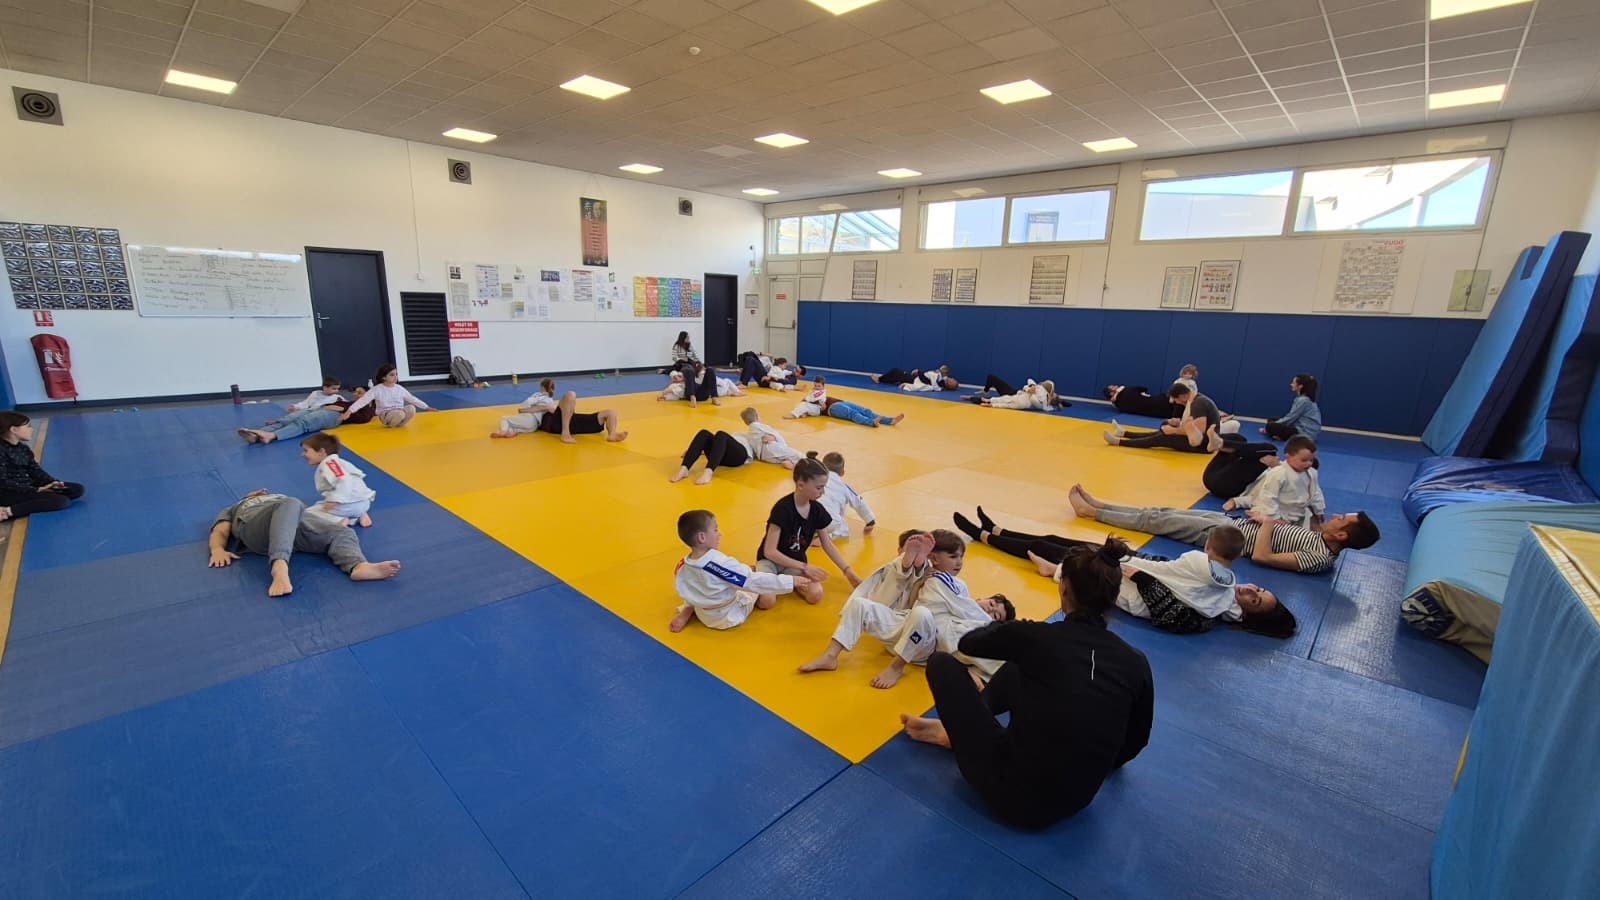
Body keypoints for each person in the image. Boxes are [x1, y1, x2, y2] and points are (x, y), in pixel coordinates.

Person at [899, 535, 1154, 830]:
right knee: (1025, 667)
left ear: (1063, 587)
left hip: (1009, 794)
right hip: (1079, 798)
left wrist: (1012, 629)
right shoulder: (1136, 661)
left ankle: (954, 733)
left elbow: (968, 642)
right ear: (1114, 596)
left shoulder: (1038, 637)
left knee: (941, 664)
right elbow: (1135, 742)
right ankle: (966, 728)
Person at [952, 510, 1295, 637]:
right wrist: (1140, 560)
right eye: (1259, 590)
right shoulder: (1220, 581)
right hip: (1132, 563)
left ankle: (984, 536)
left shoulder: (1210, 614)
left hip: (1119, 578)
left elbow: (1169, 616)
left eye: (1255, 601)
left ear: (1247, 616)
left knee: (1046, 548)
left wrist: (1140, 577)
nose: (1250, 591)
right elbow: (1171, 569)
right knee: (1056, 540)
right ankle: (997, 529)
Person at [799, 532, 1013, 689]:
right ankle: (830, 656)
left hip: (925, 645)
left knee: (923, 614)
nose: (959, 562)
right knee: (860, 604)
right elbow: (911, 606)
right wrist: (919, 584)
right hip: (905, 630)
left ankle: (896, 668)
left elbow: (965, 615)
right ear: (935, 558)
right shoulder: (932, 578)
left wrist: (992, 627)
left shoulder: (957, 585)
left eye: (961, 557)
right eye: (954, 557)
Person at [1068, 483, 1379, 575]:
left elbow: (1263, 557)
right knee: (1160, 512)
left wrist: (1267, 524)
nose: (1336, 515)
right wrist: (1270, 522)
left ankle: (1091, 513)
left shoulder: (1320, 558)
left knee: (1157, 522)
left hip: (1226, 537)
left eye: (1342, 518)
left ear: (1341, 535)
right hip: (1233, 523)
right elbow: (1283, 535)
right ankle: (1101, 505)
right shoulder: (1319, 536)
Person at [206, 489, 400, 597]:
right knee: (292, 502)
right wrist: (217, 549)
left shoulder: (280, 497)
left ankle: (358, 566)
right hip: (256, 530)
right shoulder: (236, 506)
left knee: (341, 532)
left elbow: (312, 515)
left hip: (295, 528)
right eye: (257, 492)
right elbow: (220, 530)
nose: (263, 490)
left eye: (264, 491)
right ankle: (279, 566)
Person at [669, 509, 814, 632]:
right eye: (715, 530)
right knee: (761, 591)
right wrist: (791, 581)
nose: (719, 534)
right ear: (702, 537)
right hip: (728, 616)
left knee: (698, 584)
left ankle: (688, 609)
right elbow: (753, 582)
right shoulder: (719, 565)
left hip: (704, 613)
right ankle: (748, 571)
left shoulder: (683, 565)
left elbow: (684, 588)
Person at [755, 456, 862, 603]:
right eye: (819, 488)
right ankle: (754, 572)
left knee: (815, 594)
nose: (823, 492)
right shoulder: (782, 509)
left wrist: (848, 571)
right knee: (767, 601)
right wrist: (805, 567)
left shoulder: (817, 510)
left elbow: (827, 544)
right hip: (771, 562)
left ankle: (785, 580)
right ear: (800, 485)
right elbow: (770, 552)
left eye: (824, 487)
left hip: (793, 564)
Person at [1224, 435, 1324, 528]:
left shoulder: (1311, 473)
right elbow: (1268, 496)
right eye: (1304, 460)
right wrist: (1274, 517)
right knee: (1265, 520)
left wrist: (1319, 510)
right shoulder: (1278, 473)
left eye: (1311, 460)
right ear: (1288, 457)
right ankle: (1253, 511)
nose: (1308, 464)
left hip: (1298, 512)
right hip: (1279, 512)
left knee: (1310, 524)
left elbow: (1315, 492)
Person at [0, 411, 84, 522]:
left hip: (28, 485)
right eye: (28, 426)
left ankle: (35, 498)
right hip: (8, 492)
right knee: (61, 501)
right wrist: (36, 489)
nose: (31, 429)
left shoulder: (23, 448)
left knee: (77, 489)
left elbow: (35, 470)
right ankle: (7, 512)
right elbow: (3, 482)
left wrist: (52, 482)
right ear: (14, 429)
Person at [1104, 382, 1221, 453]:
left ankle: (1120, 442)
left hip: (1203, 444)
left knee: (1163, 437)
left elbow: (1199, 432)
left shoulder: (1198, 404)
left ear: (1183, 396)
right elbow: (1193, 425)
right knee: (1164, 427)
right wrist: (1178, 424)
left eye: (1176, 400)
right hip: (1199, 440)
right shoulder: (1195, 400)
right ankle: (1125, 433)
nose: (1177, 403)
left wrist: (1175, 430)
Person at [240, 386, 373, 444]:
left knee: (304, 423)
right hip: (321, 408)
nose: (355, 394)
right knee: (288, 419)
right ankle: (255, 435)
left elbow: (365, 417)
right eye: (355, 392)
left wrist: (344, 410)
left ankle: (271, 435)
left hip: (333, 415)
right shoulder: (347, 401)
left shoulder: (366, 406)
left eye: (359, 393)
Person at [300, 432, 376, 527]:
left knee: (306, 515)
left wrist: (335, 500)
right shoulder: (339, 462)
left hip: (347, 506)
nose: (302, 454)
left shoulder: (330, 464)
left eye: (306, 451)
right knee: (321, 504)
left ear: (321, 452)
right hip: (363, 503)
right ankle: (358, 516)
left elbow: (344, 480)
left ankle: (339, 520)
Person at [523, 381, 628, 443]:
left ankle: (612, 434)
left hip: (573, 421)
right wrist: (544, 407)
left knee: (611, 412)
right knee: (571, 394)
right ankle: (565, 433)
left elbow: (566, 409)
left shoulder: (552, 403)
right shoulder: (541, 404)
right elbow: (527, 409)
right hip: (555, 423)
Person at [808, 451, 875, 540]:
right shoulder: (844, 487)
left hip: (812, 520)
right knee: (840, 526)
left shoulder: (814, 480)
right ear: (842, 472)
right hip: (831, 522)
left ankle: (815, 534)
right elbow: (859, 502)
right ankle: (827, 536)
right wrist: (870, 520)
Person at [341, 364, 431, 428]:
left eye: (396, 374)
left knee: (411, 408)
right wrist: (349, 412)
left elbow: (412, 399)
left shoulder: (399, 388)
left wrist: (426, 407)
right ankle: (392, 423)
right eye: (392, 375)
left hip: (399, 412)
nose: (395, 377)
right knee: (400, 414)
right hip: (385, 415)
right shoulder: (377, 389)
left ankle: (399, 424)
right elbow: (363, 401)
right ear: (383, 377)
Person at [1201, 432, 1283, 500]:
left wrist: (1237, 502)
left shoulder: (1281, 472)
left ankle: (1218, 443)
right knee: (1239, 439)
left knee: (1270, 449)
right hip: (1212, 477)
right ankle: (1204, 440)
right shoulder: (1281, 466)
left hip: (1226, 487)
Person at [1262, 373, 1322, 442]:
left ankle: (1280, 435)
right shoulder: (1304, 399)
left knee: (1270, 426)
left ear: (1300, 386)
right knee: (1272, 420)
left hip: (1304, 433)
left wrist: (1268, 427)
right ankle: (1278, 435)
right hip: (1301, 428)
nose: (1291, 384)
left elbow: (1291, 418)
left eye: (1293, 383)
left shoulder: (1303, 400)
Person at [490, 378, 558, 437]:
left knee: (504, 419)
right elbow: (550, 409)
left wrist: (522, 410)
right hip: (534, 427)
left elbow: (528, 403)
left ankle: (503, 431)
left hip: (530, 418)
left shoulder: (538, 395)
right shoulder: (551, 401)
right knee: (513, 425)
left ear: (542, 387)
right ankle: (512, 431)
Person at [965, 375, 1062, 410]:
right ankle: (984, 392)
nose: (1053, 393)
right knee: (991, 378)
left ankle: (972, 398)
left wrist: (1030, 390)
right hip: (1016, 393)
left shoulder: (1042, 402)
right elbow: (1030, 380)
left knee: (993, 401)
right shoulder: (1042, 392)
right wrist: (1032, 386)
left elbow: (1033, 399)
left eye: (1054, 394)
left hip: (1014, 396)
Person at [1102, 384, 1179, 419]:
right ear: (1112, 393)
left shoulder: (1120, 408)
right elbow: (1144, 388)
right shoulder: (1128, 390)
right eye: (1113, 386)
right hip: (1161, 402)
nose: (1116, 385)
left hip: (1161, 414)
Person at [872, 365, 958, 391]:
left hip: (915, 380)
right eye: (953, 379)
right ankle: (882, 378)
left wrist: (919, 372)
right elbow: (944, 369)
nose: (952, 379)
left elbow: (927, 382)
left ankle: (879, 379)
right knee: (897, 375)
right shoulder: (943, 378)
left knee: (896, 372)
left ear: (949, 385)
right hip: (916, 378)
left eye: (953, 381)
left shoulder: (940, 384)